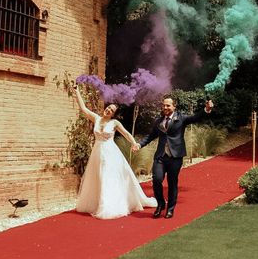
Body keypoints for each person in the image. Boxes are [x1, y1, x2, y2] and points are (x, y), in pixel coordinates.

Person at [73, 85, 157, 219]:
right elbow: (83, 109)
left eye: (111, 110)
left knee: (107, 177)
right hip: (97, 152)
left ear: (113, 114)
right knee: (97, 177)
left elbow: (127, 134)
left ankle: (108, 205)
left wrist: (134, 143)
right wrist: (76, 91)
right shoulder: (96, 118)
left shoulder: (115, 123)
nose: (108, 110)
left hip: (110, 154)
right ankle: (97, 203)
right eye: (108, 108)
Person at [133, 96, 214, 219]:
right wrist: (139, 144)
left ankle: (170, 209)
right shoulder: (158, 121)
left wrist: (206, 109)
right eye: (164, 105)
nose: (165, 107)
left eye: (168, 105)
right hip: (160, 156)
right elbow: (150, 136)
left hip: (175, 157)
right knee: (156, 179)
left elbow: (195, 117)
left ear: (174, 106)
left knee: (172, 183)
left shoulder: (181, 118)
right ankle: (160, 205)